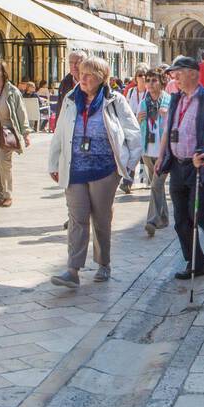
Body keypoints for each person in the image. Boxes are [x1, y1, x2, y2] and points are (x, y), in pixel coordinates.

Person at [49, 56, 142, 286]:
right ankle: (72, 269)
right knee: (77, 218)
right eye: (81, 73)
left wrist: (128, 164)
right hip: (75, 168)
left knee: (101, 219)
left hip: (105, 170)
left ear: (101, 78)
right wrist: (53, 163)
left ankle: (103, 264)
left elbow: (133, 133)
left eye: (89, 75)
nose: (83, 78)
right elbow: (60, 132)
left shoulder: (114, 100)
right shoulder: (71, 99)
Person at [157, 55, 204, 278]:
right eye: (173, 74)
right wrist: (162, 156)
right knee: (181, 220)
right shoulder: (175, 99)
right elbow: (168, 129)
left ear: (192, 73)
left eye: (177, 73)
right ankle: (195, 263)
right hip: (178, 166)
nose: (174, 78)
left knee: (198, 213)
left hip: (200, 166)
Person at [0, 60, 30, 208]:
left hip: (7, 132)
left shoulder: (12, 91)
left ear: (4, 73)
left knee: (3, 163)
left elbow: (21, 112)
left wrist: (26, 132)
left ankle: (8, 194)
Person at [137, 71, 171, 236]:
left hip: (163, 152)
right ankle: (163, 218)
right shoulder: (144, 103)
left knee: (156, 185)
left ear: (162, 82)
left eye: (154, 80)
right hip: (147, 150)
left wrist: (168, 116)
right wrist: (138, 119)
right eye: (148, 80)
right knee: (156, 187)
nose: (150, 83)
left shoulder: (169, 102)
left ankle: (152, 221)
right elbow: (137, 127)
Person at [55, 50, 86, 120]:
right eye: (71, 63)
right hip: (69, 124)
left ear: (85, 64)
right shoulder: (65, 83)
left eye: (77, 62)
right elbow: (60, 107)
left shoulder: (92, 82)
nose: (74, 66)